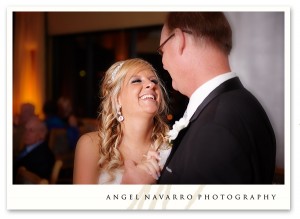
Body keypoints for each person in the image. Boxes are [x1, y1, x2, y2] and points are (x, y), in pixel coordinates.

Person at [154, 12, 277, 184]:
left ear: (180, 40)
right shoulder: (245, 102)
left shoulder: (215, 127)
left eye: (162, 51)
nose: (163, 62)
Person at [73, 58, 171, 184]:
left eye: (154, 81)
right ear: (117, 98)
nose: (151, 84)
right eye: (136, 81)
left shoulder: (173, 146)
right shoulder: (90, 146)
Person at [13, 116, 55, 184]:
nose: (26, 133)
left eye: (31, 130)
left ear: (42, 134)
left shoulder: (44, 156)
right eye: (26, 129)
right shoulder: (28, 147)